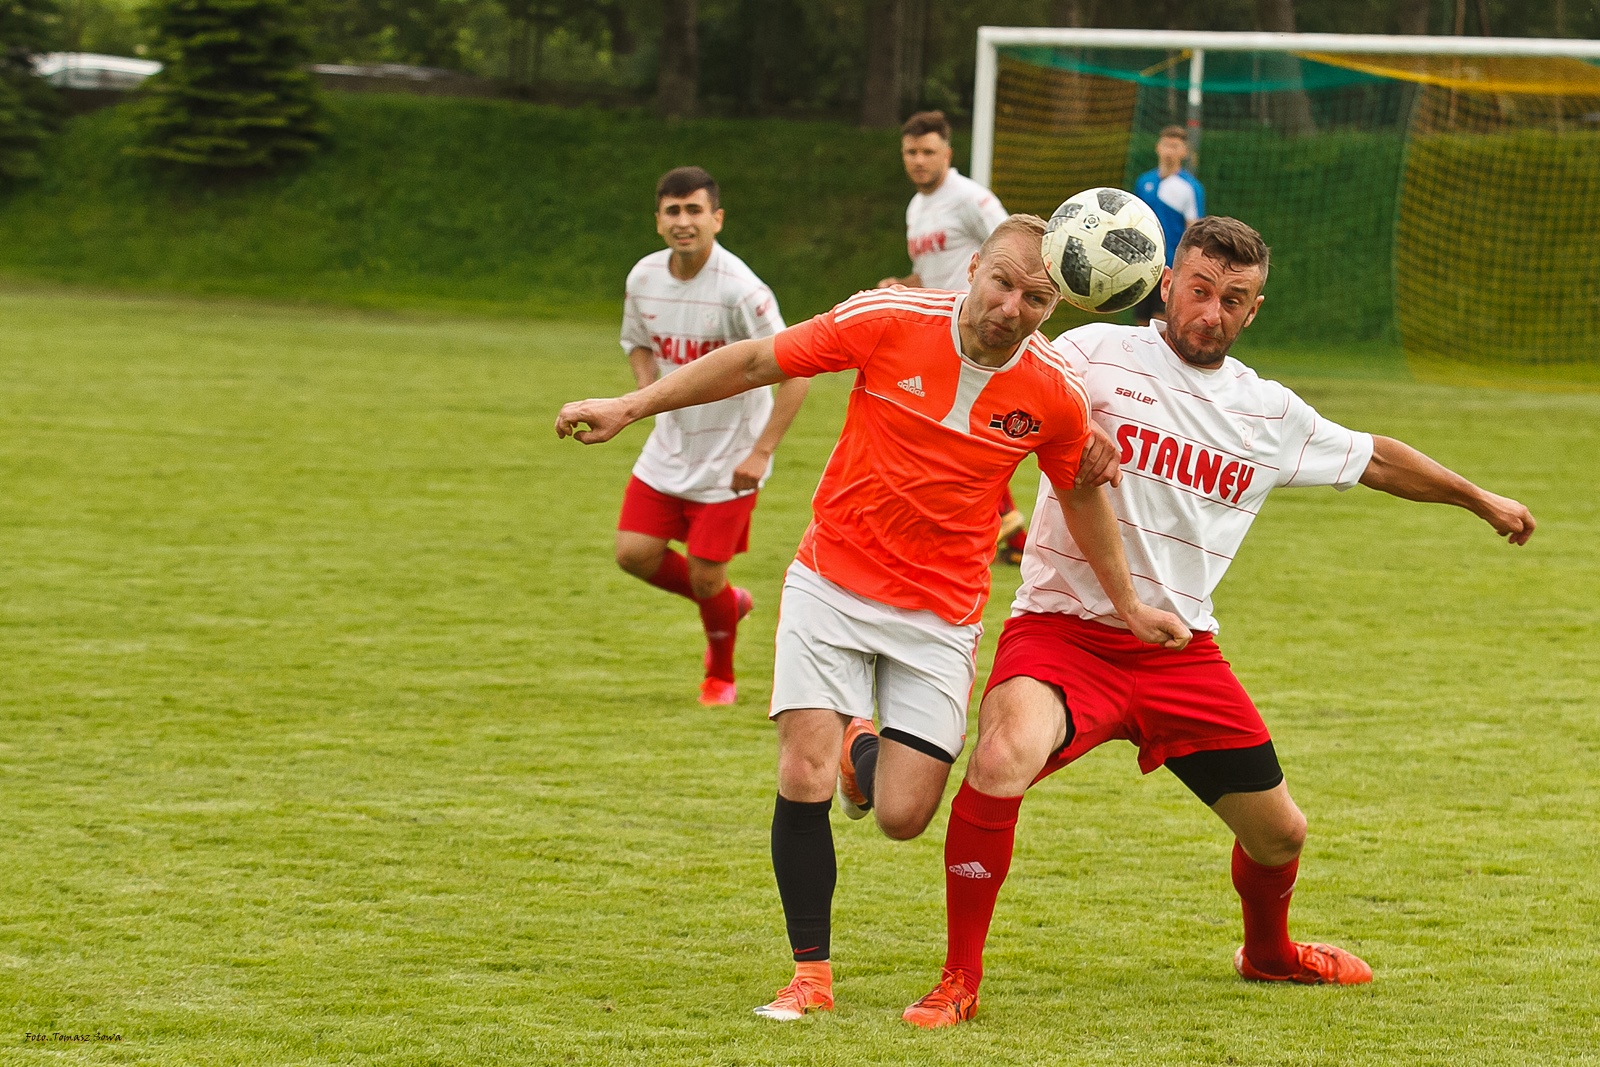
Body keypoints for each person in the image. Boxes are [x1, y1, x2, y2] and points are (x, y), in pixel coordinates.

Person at [898, 216, 1537, 1028]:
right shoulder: (1094, 353)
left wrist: (1479, 497)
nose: (1211, 311)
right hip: (1065, 632)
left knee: (1281, 836)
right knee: (1001, 755)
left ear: (1254, 310)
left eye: (1233, 299)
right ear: (1165, 286)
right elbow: (998, 360)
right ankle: (959, 977)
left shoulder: (1266, 411)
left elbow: (1374, 455)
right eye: (1199, 290)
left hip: (1182, 652)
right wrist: (1063, 411)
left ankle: (1268, 952)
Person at [556, 216, 1192, 1022]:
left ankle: (866, 749)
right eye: (1002, 282)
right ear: (972, 268)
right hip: (832, 581)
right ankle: (809, 974)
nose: (1012, 306)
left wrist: (1130, 604)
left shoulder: (1053, 396)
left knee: (902, 817)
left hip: (940, 614)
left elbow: (1079, 495)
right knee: (801, 773)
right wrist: (632, 403)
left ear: (1056, 305)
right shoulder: (888, 320)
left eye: (1038, 298)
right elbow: (758, 359)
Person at [613, 166, 809, 707]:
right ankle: (730, 602)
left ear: (716, 218)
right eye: (673, 211)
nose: (684, 221)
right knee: (633, 554)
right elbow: (637, 342)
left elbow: (796, 370)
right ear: (658, 220)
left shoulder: (742, 290)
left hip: (730, 458)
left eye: (694, 210)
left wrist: (761, 451)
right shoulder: (643, 278)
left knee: (704, 577)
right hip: (670, 447)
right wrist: (647, 395)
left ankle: (720, 675)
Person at [877, 110, 1009, 293]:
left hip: (970, 317)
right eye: (911, 152)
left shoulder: (971, 197)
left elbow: (1013, 254)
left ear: (947, 155)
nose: (919, 161)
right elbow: (927, 278)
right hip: (938, 319)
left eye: (928, 152)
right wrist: (899, 287)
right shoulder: (915, 207)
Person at [1132, 125, 1205, 326]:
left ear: (1184, 152)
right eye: (1166, 145)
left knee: (1160, 320)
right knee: (1141, 320)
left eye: (1175, 146)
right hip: (1141, 263)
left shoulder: (1190, 188)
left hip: (1170, 264)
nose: (1169, 150)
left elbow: (1194, 230)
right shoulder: (1144, 181)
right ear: (1158, 147)